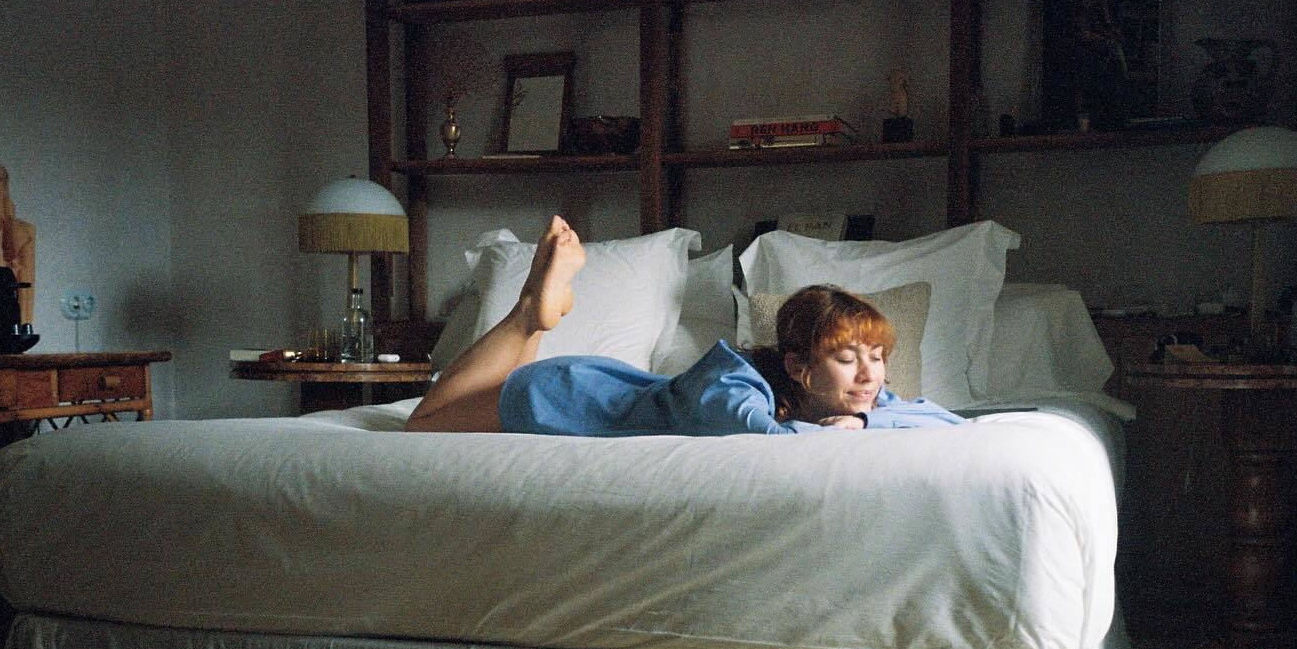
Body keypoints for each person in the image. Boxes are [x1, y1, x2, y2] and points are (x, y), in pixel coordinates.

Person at [405, 216, 963, 436]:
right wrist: (847, 430)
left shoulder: (853, 395)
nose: (870, 376)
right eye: (847, 359)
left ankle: (535, 317)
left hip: (595, 385)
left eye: (876, 357)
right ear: (798, 366)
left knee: (472, 393)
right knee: (422, 425)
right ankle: (530, 309)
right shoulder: (734, 388)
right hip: (569, 399)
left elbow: (940, 420)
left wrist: (863, 420)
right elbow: (770, 442)